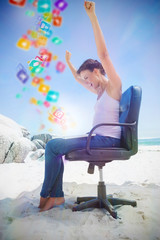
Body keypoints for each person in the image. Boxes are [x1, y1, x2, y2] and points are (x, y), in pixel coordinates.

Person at [39, 1, 122, 212]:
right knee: (55, 149)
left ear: (96, 70)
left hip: (105, 140)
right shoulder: (100, 93)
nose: (87, 82)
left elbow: (104, 55)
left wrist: (92, 16)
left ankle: (48, 196)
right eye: (85, 79)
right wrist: (69, 62)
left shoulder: (113, 87)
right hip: (97, 137)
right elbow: (77, 78)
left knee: (52, 146)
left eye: (88, 77)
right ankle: (55, 197)